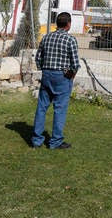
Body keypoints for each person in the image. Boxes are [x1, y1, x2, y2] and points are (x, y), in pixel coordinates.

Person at [31, 11, 80, 149]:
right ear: (68, 24)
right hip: (62, 76)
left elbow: (38, 58)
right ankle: (55, 141)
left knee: (42, 107)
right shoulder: (70, 40)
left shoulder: (46, 37)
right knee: (59, 109)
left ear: (57, 24)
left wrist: (45, 69)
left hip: (47, 74)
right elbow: (75, 64)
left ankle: (36, 140)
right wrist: (70, 76)